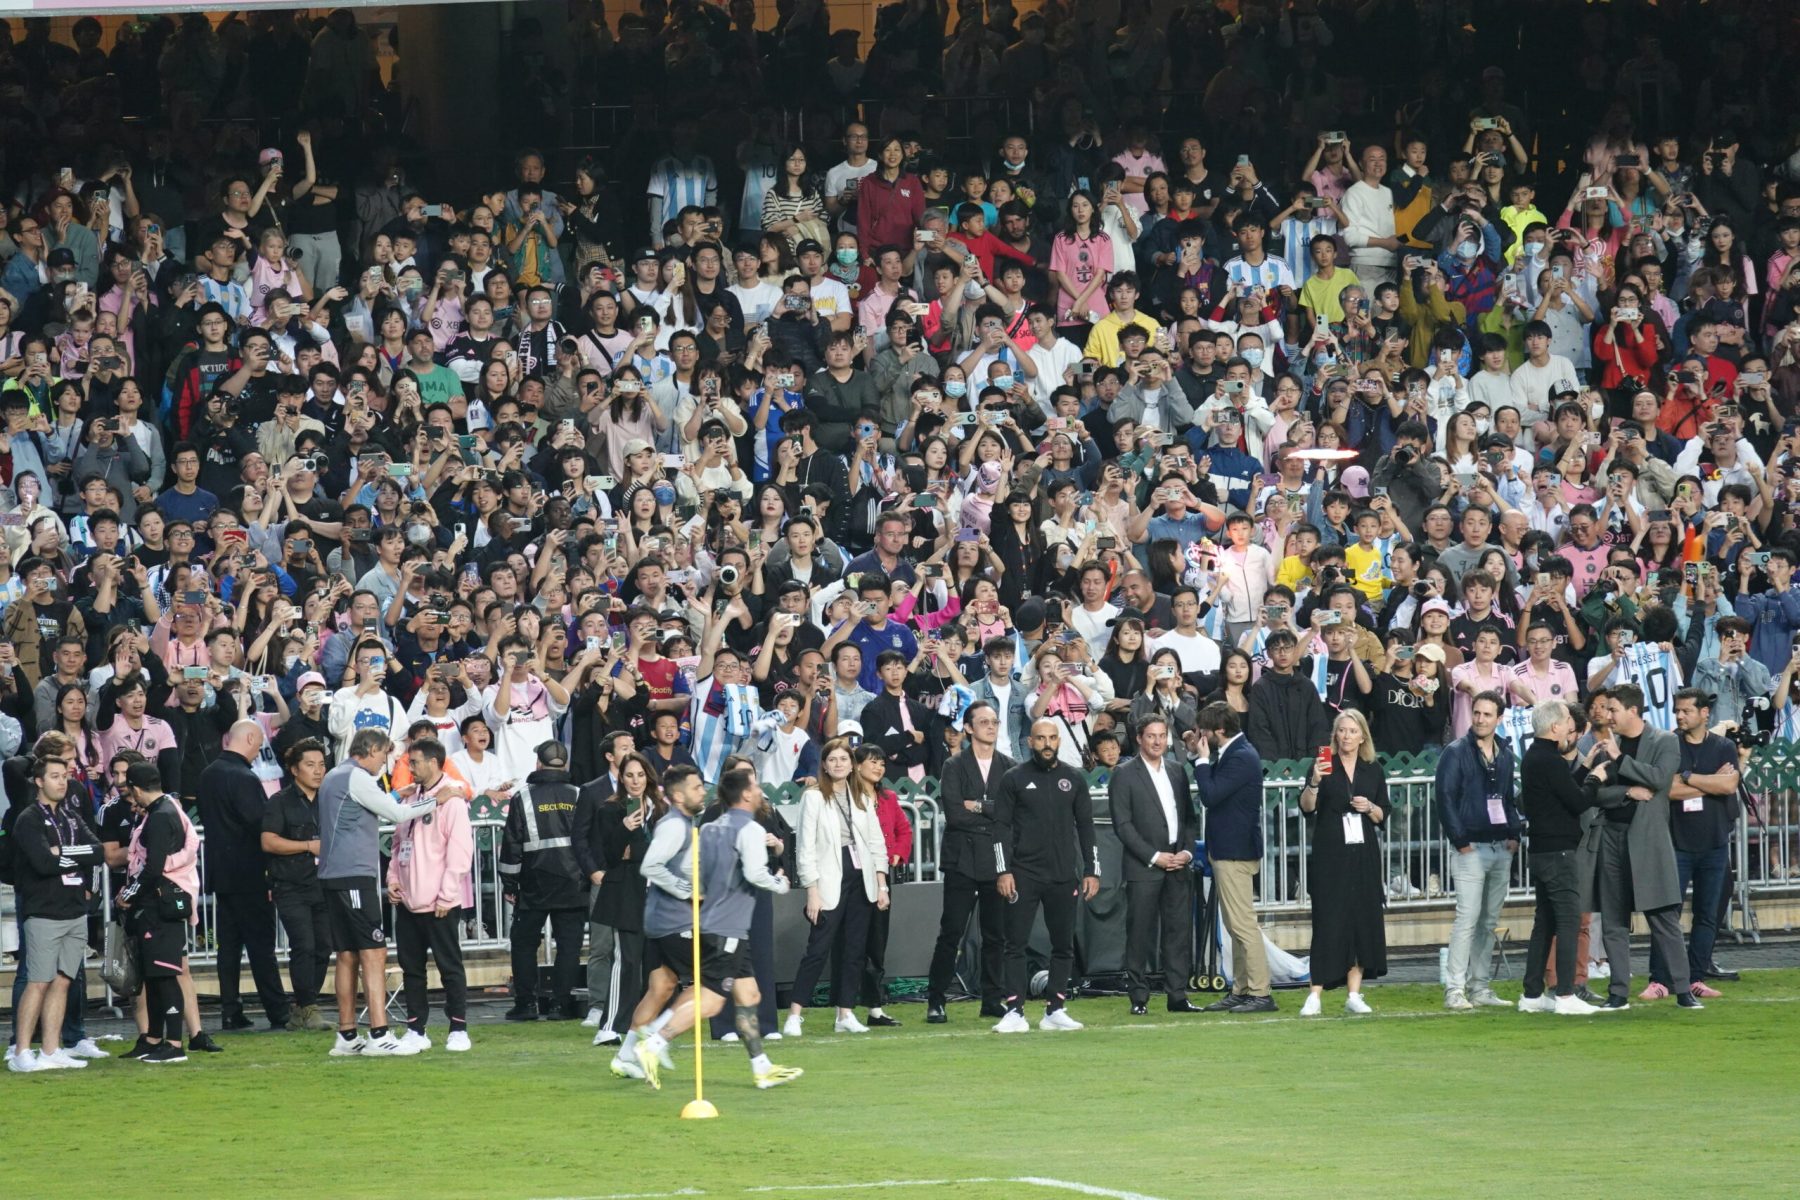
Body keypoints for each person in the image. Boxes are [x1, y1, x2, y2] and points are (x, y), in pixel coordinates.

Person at [628, 768, 803, 1092]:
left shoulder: (709, 828)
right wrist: (780, 883)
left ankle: (762, 1068)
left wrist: (701, 891)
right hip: (728, 928)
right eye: (755, 786)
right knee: (711, 1001)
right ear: (746, 794)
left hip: (714, 923)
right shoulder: (750, 829)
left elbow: (692, 869)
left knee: (749, 995)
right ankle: (653, 1042)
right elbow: (755, 873)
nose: (760, 792)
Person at [317, 728, 450, 1057]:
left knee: (347, 955)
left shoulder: (335, 775)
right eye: (383, 756)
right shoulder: (358, 777)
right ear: (372, 750)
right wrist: (436, 799)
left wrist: (396, 794)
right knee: (373, 951)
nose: (384, 765)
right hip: (354, 874)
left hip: (334, 875)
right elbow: (398, 815)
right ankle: (379, 1034)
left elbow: (364, 807)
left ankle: (347, 1036)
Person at [1583, 683, 1695, 1009]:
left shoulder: (1664, 741)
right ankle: (1618, 992)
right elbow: (1595, 792)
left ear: (1632, 710)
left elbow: (1659, 780)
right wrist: (1627, 792)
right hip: (1610, 837)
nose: (1607, 715)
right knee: (1613, 920)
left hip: (1648, 841)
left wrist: (1620, 760)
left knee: (1663, 917)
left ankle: (1683, 989)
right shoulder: (1605, 745)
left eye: (1613, 709)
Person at [992, 718, 1099, 1033]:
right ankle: (1014, 1011)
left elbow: (1086, 827)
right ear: (1030, 742)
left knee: (1063, 945)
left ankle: (1055, 1009)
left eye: (1052, 738)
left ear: (1059, 741)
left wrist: (1092, 870)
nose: (1047, 744)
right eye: (1041, 738)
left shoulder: (1073, 778)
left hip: (1064, 875)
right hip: (1023, 874)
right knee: (1015, 943)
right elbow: (1000, 828)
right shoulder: (1013, 778)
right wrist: (1003, 870)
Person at [784, 736, 890, 1037]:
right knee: (817, 949)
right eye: (833, 760)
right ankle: (795, 1015)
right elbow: (805, 847)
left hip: (862, 877)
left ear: (852, 764)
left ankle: (845, 1013)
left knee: (855, 949)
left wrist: (881, 884)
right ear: (825, 766)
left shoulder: (862, 796)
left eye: (844, 759)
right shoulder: (814, 797)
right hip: (829, 877)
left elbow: (876, 841)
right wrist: (812, 890)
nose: (839, 764)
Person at [6, 755, 102, 1072]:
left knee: (62, 982)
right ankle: (21, 1052)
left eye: (65, 776)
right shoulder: (28, 818)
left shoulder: (71, 816)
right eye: (55, 776)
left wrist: (63, 852)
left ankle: (50, 1050)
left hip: (74, 909)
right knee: (38, 981)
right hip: (44, 912)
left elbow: (98, 851)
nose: (62, 782)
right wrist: (72, 856)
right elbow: (43, 863)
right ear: (39, 781)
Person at [198, 719, 293, 1032]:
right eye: (259, 742)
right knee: (261, 946)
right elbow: (259, 825)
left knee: (228, 947)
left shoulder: (208, 774)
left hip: (221, 874)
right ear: (250, 738)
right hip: (249, 874)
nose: (259, 750)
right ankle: (278, 1011)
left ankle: (230, 1010)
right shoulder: (244, 777)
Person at [614, 764, 706, 1082]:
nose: (703, 792)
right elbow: (651, 866)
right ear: (678, 795)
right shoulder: (675, 825)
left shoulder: (682, 823)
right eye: (696, 787)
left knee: (661, 987)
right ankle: (656, 1035)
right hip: (674, 920)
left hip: (659, 919)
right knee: (711, 984)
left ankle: (625, 1056)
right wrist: (688, 890)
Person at [1648, 689, 1740, 1000]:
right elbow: (1668, 790)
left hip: (1715, 843)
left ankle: (1695, 977)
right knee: (1667, 913)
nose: (1679, 716)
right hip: (1676, 842)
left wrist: (1687, 777)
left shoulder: (1724, 746)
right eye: (1677, 710)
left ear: (1704, 713)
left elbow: (1729, 784)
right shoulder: (1668, 744)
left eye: (1686, 710)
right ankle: (1659, 980)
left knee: (1707, 914)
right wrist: (1709, 781)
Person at [1515, 700, 1606, 1016]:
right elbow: (1578, 802)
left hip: (1541, 851)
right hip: (1559, 853)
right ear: (1555, 727)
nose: (1572, 724)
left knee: (1545, 922)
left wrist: (1584, 768)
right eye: (1567, 719)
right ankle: (1566, 994)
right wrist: (1595, 778)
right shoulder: (1550, 760)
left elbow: (1562, 793)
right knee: (1568, 920)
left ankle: (1531, 994)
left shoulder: (1535, 756)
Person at [1298, 709, 1391, 1015]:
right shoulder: (1323, 765)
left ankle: (1354, 994)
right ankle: (1315, 994)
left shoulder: (1372, 769)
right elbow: (1307, 807)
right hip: (1330, 852)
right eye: (1342, 730)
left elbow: (1383, 814)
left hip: (1363, 855)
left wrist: (1370, 807)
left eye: (1352, 731)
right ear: (1335, 735)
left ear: (1362, 736)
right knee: (1328, 920)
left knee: (1361, 920)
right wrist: (1314, 782)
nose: (1346, 736)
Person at [1434, 690, 1522, 1011]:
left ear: (1499, 718)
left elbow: (1507, 798)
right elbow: (1444, 798)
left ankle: (1480, 986)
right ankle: (1455, 989)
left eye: (1487, 714)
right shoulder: (1455, 752)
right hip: (1470, 848)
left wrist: (1514, 834)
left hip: (1500, 847)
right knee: (1467, 919)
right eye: (1477, 713)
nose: (1481, 719)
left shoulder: (1505, 754)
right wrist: (1460, 841)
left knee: (1488, 922)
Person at [926, 701, 1012, 1023]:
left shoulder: (1009, 766)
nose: (991, 727)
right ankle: (936, 1000)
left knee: (995, 935)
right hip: (961, 860)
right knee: (951, 933)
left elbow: (1010, 814)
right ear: (968, 728)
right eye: (984, 721)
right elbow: (955, 814)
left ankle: (992, 999)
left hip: (996, 860)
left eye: (994, 722)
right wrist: (991, 813)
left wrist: (977, 805)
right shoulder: (954, 765)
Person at [387, 737, 474, 1052]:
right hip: (408, 901)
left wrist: (446, 895)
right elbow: (398, 844)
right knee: (412, 970)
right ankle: (416, 1029)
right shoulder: (411, 797)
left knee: (450, 967)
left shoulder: (452, 799)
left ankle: (458, 1028)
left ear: (434, 762)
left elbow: (460, 851)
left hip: (440, 903)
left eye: (415, 762)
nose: (410, 767)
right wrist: (393, 879)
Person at [1109, 714, 1199, 1015]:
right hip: (1143, 868)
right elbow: (1123, 825)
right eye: (1151, 736)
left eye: (1162, 735)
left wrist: (1187, 852)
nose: (1158, 741)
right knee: (1139, 934)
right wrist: (1154, 856)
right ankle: (1138, 998)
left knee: (1178, 933)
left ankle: (1178, 996)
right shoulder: (1123, 774)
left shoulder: (1177, 770)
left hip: (1178, 865)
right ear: (1139, 738)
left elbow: (1189, 818)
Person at [1192, 703, 1275, 1013]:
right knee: (1234, 925)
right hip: (1228, 850)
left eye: (1204, 730)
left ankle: (1260, 992)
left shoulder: (1241, 756)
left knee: (1242, 926)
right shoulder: (1234, 753)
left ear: (1220, 731)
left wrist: (1202, 760)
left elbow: (1210, 795)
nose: (1202, 735)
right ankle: (1242, 989)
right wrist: (1198, 756)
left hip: (1235, 852)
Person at [115, 761, 198, 1065]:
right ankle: (152, 1039)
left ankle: (174, 1044)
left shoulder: (160, 816)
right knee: (154, 977)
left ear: (136, 789)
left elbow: (153, 868)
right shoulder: (165, 809)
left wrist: (128, 895)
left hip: (160, 908)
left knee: (164, 976)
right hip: (158, 905)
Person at [499, 740, 588, 1022]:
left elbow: (512, 845)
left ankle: (526, 1004)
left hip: (533, 882)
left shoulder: (522, 797)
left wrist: (510, 884)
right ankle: (561, 1005)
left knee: (524, 944)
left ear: (539, 763)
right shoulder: (579, 794)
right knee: (569, 946)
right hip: (574, 883)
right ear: (565, 764)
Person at [261, 738, 334, 1032]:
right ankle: (308, 1006)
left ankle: (302, 1007)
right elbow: (268, 841)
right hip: (290, 885)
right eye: (310, 765)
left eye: (321, 765)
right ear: (294, 769)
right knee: (303, 945)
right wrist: (307, 846)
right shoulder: (279, 801)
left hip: (324, 884)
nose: (318, 771)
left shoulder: (330, 798)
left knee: (324, 946)